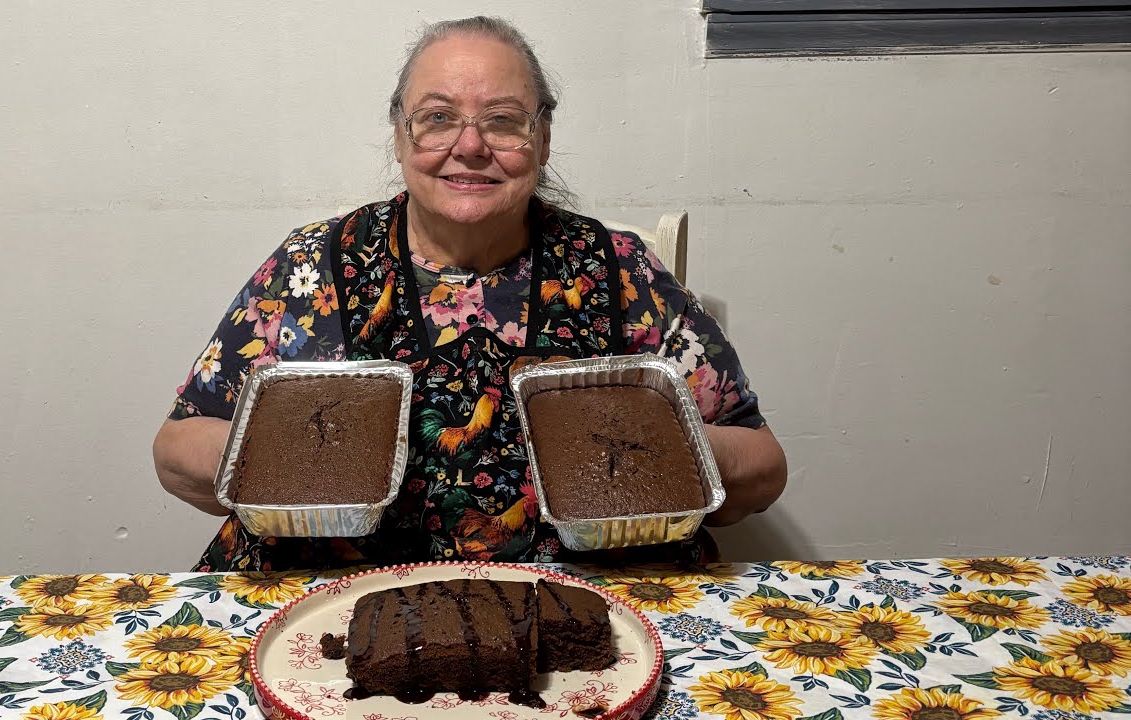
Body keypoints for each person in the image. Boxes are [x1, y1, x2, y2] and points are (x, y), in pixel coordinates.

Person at [152, 16, 786, 572]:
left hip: (582, 611)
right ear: (400, 135)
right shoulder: (313, 266)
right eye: (438, 118)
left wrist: (640, 451)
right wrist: (308, 458)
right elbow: (177, 450)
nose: (471, 146)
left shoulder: (618, 269)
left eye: (504, 121)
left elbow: (762, 463)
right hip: (332, 606)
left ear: (542, 137)